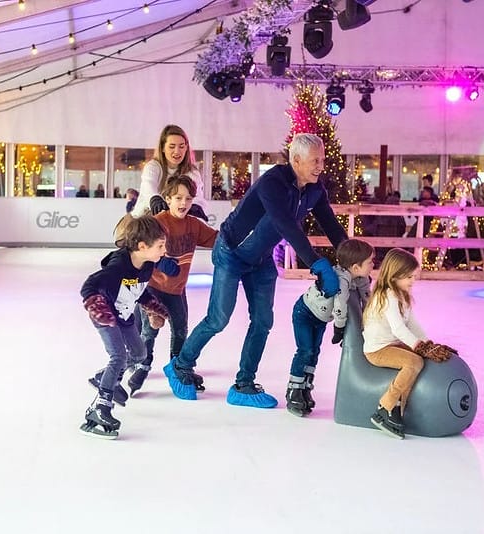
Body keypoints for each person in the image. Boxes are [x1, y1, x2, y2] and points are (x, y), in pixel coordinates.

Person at [164, 133, 348, 408]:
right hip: (231, 252)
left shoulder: (314, 189)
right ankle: (180, 365)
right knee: (219, 318)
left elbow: (331, 225)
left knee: (263, 321)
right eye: (315, 160)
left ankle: (244, 384)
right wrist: (317, 263)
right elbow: (286, 225)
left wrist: (351, 257)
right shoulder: (273, 183)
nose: (321, 165)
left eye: (322, 159)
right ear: (296, 160)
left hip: (260, 259)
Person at [79, 215, 170, 439]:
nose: (164, 250)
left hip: (125, 316)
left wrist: (153, 307)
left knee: (140, 353)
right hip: (106, 315)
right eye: (160, 246)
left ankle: (104, 378)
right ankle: (98, 409)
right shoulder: (117, 266)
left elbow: (137, 290)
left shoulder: (147, 266)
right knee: (118, 357)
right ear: (142, 246)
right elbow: (89, 286)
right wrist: (99, 308)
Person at [128, 175, 219, 396]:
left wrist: (236, 232)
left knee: (180, 329)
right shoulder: (158, 222)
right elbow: (140, 247)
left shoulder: (194, 225)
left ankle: (177, 366)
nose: (183, 203)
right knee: (151, 329)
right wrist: (159, 260)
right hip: (154, 287)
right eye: (178, 197)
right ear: (167, 199)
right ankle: (143, 364)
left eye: (188, 199)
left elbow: (217, 239)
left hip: (177, 290)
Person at [362, 248, 457, 439]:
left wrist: (429, 345)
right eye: (409, 277)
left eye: (413, 276)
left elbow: (412, 325)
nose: (413, 281)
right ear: (394, 275)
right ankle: (385, 407)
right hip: (378, 349)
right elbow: (398, 329)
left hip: (393, 344)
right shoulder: (387, 296)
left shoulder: (402, 294)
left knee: (420, 357)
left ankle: (400, 407)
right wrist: (418, 348)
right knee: (414, 362)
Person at [286, 239, 375, 417]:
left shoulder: (361, 277)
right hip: (304, 313)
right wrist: (339, 328)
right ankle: (294, 390)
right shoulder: (341, 281)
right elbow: (339, 307)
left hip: (320, 318)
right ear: (356, 267)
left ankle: (305, 387)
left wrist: (370, 320)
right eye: (370, 262)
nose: (373, 265)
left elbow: (367, 297)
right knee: (305, 350)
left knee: (314, 352)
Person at [130, 124, 208, 221]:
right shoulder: (153, 167)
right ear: (162, 148)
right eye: (172, 146)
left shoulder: (192, 172)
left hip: (175, 224)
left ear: (186, 148)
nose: (177, 151)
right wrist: (154, 198)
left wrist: (196, 205)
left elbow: (198, 196)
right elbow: (148, 186)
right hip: (145, 221)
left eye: (181, 146)